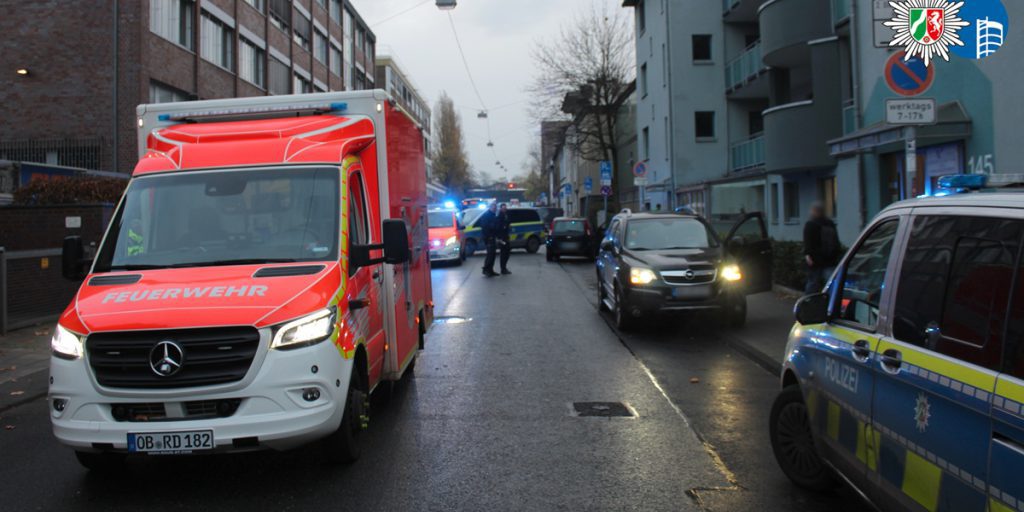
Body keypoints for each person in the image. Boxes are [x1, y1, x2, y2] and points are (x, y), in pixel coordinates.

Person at [803, 202, 841, 294]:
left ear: (814, 212)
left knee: (813, 283)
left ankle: (809, 302)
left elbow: (808, 242)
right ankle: (831, 303)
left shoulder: (810, 224)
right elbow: (836, 241)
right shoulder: (830, 223)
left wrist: (808, 255)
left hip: (815, 260)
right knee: (831, 284)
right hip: (830, 259)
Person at [479, 202, 500, 277]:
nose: (495, 208)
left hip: (492, 237)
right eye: (493, 207)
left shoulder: (493, 215)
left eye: (495, 207)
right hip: (488, 237)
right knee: (490, 254)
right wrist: (489, 236)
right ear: (490, 207)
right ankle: (486, 270)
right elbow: (485, 227)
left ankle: (491, 270)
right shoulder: (486, 215)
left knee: (493, 254)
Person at [496, 203, 512, 275]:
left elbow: (508, 224)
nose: (504, 209)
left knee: (507, 253)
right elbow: (499, 227)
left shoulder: (506, 215)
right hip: (502, 238)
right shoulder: (500, 216)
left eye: (505, 208)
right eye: (503, 208)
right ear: (501, 209)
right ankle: (503, 268)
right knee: (504, 253)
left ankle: (504, 268)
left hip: (506, 236)